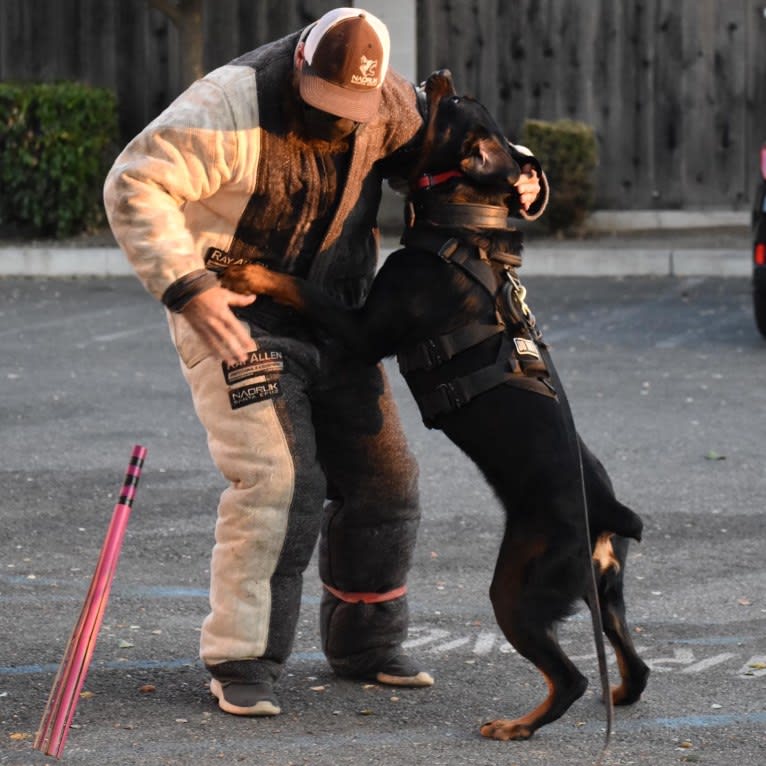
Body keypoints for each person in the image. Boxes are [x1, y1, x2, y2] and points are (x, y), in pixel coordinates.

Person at [104, 7, 546, 717]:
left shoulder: (389, 102)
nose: (341, 124)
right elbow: (135, 184)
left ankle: (365, 644)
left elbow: (459, 153)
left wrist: (520, 175)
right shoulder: (229, 103)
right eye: (325, 107)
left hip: (333, 310)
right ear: (300, 66)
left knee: (386, 479)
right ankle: (241, 658)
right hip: (232, 313)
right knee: (278, 478)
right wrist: (186, 287)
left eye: (354, 112)